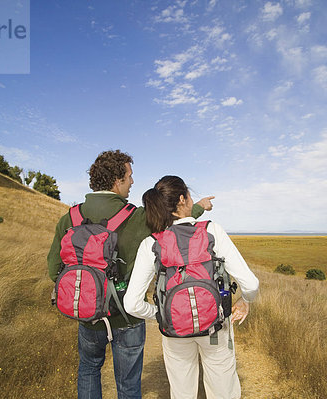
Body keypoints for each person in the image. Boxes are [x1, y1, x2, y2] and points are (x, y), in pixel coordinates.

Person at [47, 151, 213, 399]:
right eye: (129, 176)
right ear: (117, 180)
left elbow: (53, 270)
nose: (132, 182)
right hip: (127, 318)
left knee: (89, 370)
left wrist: (91, 291)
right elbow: (173, 227)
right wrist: (199, 208)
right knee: (127, 383)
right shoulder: (135, 217)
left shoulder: (69, 218)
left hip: (88, 315)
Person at [124, 175, 259, 399]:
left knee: (182, 392)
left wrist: (159, 313)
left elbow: (132, 304)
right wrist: (245, 301)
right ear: (183, 200)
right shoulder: (212, 231)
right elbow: (251, 283)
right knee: (223, 390)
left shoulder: (151, 244)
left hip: (174, 331)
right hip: (216, 327)